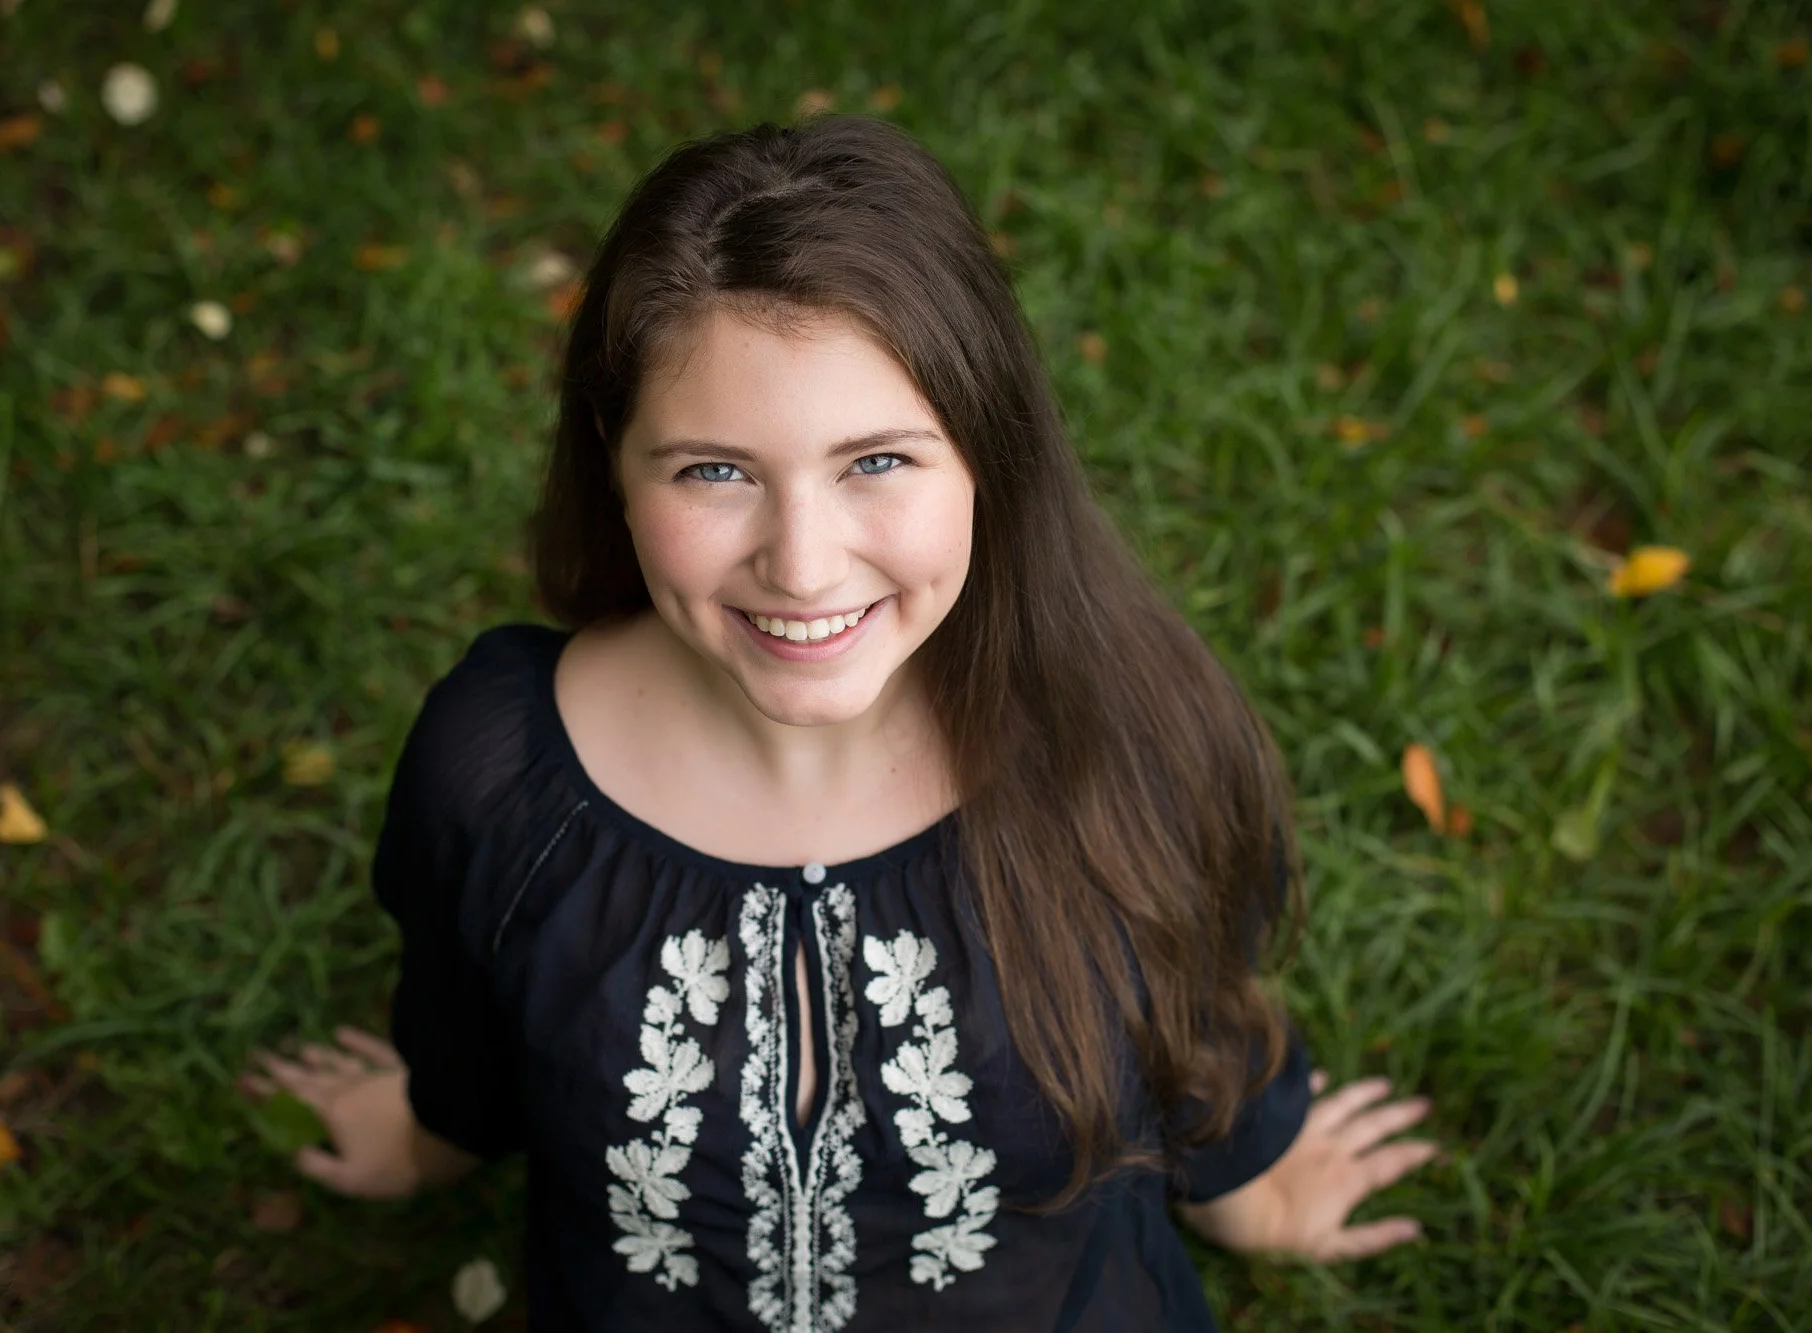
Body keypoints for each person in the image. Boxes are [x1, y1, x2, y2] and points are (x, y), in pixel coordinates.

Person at [238, 114, 1440, 1330]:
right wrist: (428, 1133)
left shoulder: (1123, 742)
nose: (803, 567)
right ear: (615, 458)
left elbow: (1189, 1014)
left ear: (986, 445)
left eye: (875, 461)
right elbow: (465, 1019)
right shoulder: (498, 770)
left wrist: (1248, 1184)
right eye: (715, 470)